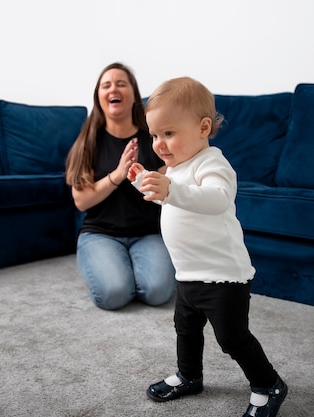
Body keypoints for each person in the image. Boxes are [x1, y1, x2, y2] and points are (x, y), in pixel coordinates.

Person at [127, 76, 287, 417]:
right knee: (185, 329)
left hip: (223, 276)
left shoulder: (212, 163)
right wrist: (147, 183)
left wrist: (170, 189)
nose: (158, 143)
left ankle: (267, 382)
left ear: (202, 128)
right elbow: (172, 200)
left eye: (168, 133)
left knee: (231, 338)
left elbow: (216, 200)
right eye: (154, 135)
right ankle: (189, 375)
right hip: (188, 273)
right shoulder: (176, 168)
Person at [65, 62, 176, 311]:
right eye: (106, 85)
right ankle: (109, 268)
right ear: (100, 97)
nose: (113, 88)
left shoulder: (153, 138)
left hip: (148, 232)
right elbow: (81, 201)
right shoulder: (87, 142)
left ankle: (126, 269)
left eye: (121, 83)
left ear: (134, 95)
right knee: (113, 295)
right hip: (100, 234)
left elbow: (170, 176)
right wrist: (118, 174)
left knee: (159, 293)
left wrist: (142, 174)